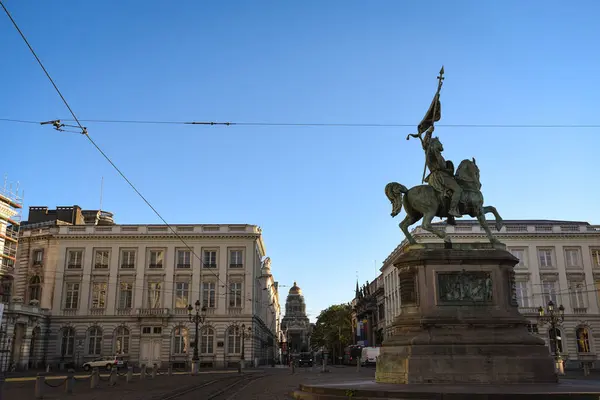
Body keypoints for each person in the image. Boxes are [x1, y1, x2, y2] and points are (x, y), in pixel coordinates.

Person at [422, 126, 463, 218]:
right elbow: (425, 144)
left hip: (441, 176)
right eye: (440, 143)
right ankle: (452, 209)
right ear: (435, 143)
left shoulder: (439, 155)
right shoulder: (430, 151)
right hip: (439, 176)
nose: (442, 145)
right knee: (458, 190)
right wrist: (429, 132)